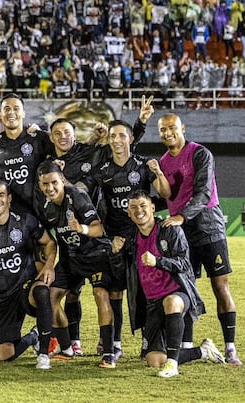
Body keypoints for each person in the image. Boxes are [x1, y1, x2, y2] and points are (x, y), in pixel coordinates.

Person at [81, 119, 170, 359]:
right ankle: (116, 343)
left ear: (131, 139)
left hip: (142, 238)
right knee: (115, 293)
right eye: (113, 136)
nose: (117, 140)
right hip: (115, 241)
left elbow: (166, 193)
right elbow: (82, 187)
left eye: (122, 135)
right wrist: (63, 182)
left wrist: (158, 172)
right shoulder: (103, 169)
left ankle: (148, 341)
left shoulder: (143, 165)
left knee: (145, 291)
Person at [157, 113, 240, 365]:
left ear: (182, 127)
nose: (167, 133)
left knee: (220, 287)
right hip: (182, 234)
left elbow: (203, 193)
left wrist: (181, 216)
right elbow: (167, 196)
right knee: (185, 287)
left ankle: (230, 347)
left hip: (208, 227)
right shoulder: (162, 162)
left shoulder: (200, 153)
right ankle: (187, 346)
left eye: (172, 127)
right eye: (162, 130)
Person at [116, 190, 226, 378]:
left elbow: (184, 263)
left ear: (152, 208)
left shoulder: (169, 229)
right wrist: (115, 252)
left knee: (171, 302)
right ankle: (202, 351)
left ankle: (173, 365)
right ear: (128, 212)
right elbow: (121, 271)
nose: (138, 210)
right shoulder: (131, 238)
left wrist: (158, 261)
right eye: (133, 207)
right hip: (152, 303)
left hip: (178, 293)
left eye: (143, 206)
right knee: (154, 361)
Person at [0, 180, 57, 369]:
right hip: (2, 296)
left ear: (9, 198)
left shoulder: (25, 221)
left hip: (25, 287)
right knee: (2, 355)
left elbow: (49, 242)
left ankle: (44, 354)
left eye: (1, 195)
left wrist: (48, 266)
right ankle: (34, 336)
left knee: (42, 291)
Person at [36, 161, 118, 368]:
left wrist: (81, 228)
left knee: (100, 294)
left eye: (54, 182)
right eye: (45, 184)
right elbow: (51, 239)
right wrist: (49, 264)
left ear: (62, 180)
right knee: (49, 296)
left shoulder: (77, 196)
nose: (50, 188)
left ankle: (109, 353)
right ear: (39, 185)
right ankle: (66, 349)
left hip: (95, 253)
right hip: (71, 257)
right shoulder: (45, 205)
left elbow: (99, 229)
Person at [0, 94, 54, 216]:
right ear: (1, 115)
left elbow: (65, 152)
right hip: (13, 215)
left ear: (23, 113)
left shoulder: (39, 137)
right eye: (7, 109)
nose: (11, 112)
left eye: (16, 108)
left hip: (44, 210)